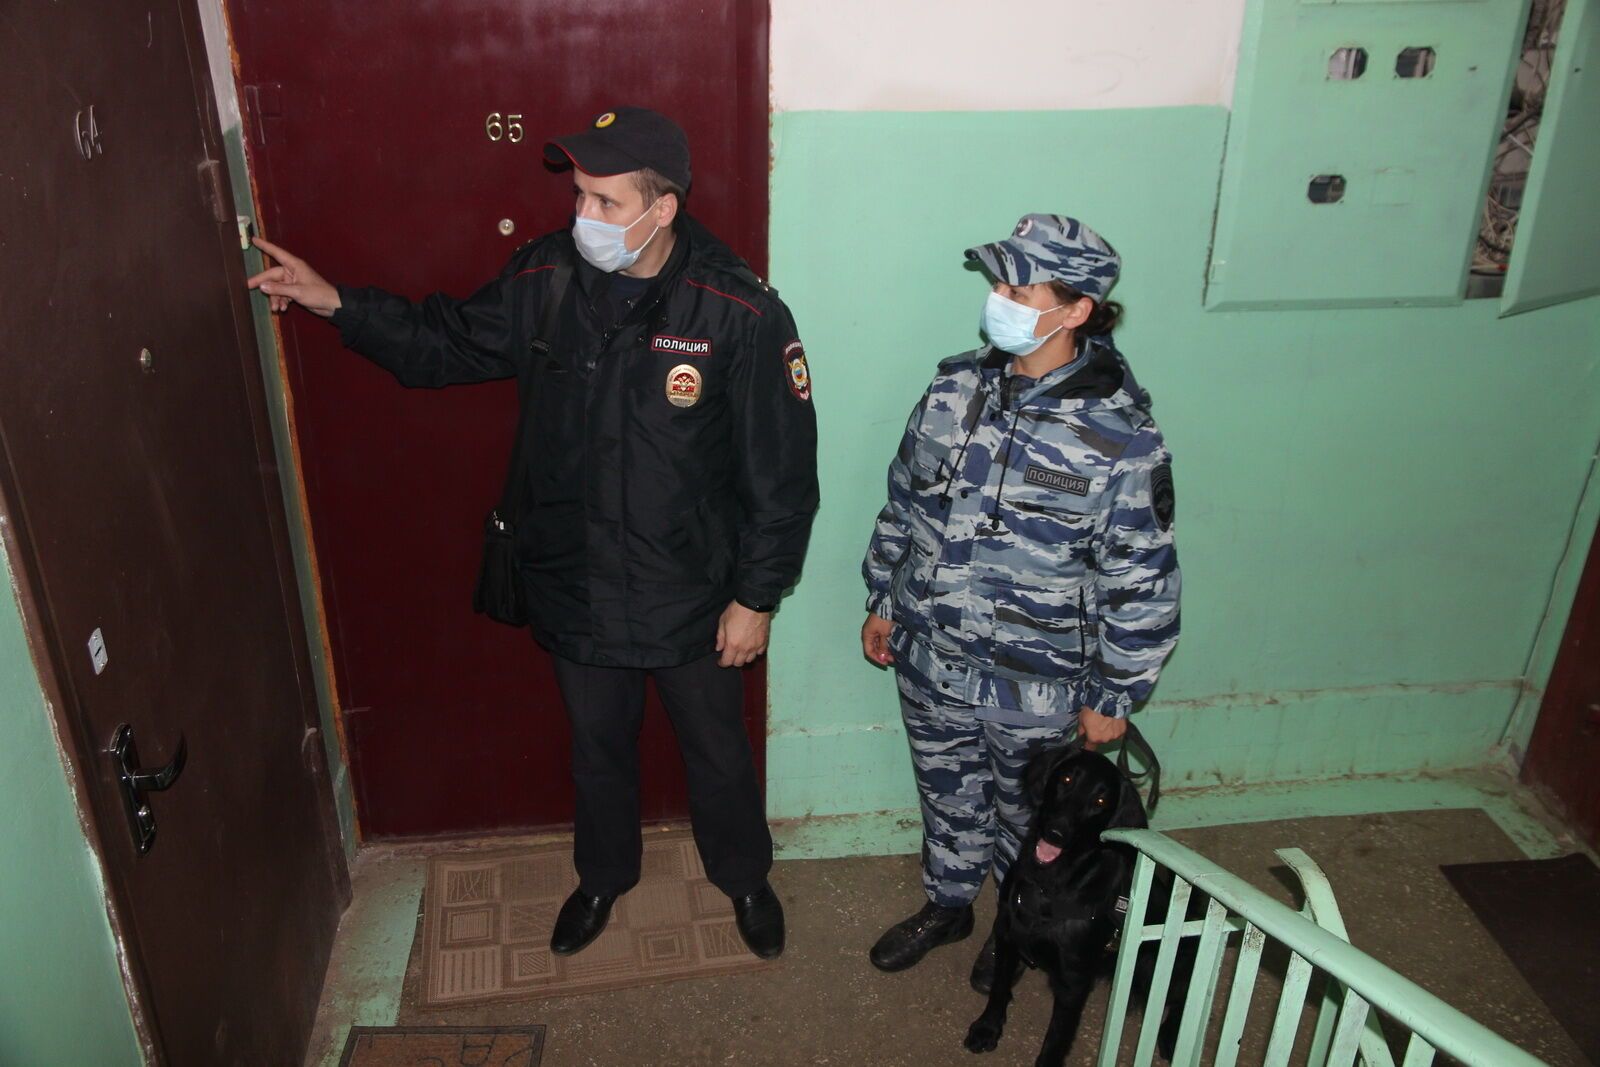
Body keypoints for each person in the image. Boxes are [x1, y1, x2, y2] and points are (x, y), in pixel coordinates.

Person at [248, 107, 818, 961]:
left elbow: (783, 474)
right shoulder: (546, 276)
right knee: (596, 749)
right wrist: (335, 302)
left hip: (692, 588)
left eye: (605, 201)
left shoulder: (737, 308)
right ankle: (602, 878)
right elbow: (444, 343)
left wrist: (756, 597)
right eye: (579, 196)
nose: (583, 216)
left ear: (663, 208)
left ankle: (743, 878)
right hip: (575, 575)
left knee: (717, 750)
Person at [859, 215, 1179, 992]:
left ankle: (1013, 926)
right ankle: (949, 903)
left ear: (1076, 310)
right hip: (932, 652)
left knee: (1027, 820)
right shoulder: (954, 389)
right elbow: (906, 501)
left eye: (1019, 288)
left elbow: (1142, 576)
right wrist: (883, 595)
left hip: (1036, 683)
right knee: (947, 793)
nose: (998, 299)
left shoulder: (1120, 437)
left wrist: (1115, 694)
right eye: (998, 283)